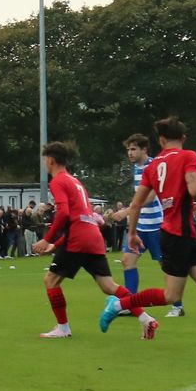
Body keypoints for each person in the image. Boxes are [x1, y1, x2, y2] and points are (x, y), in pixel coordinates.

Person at [104, 118, 196, 353]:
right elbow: (195, 189)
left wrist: (132, 233)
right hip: (176, 235)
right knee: (170, 295)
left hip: (185, 235)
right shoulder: (188, 156)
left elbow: (135, 205)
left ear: (161, 140)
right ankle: (119, 305)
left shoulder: (153, 166)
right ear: (183, 138)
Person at [33, 142, 159, 341]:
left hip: (78, 238)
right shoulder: (75, 182)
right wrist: (55, 245)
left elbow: (65, 213)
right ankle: (145, 318)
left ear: (50, 160)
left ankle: (63, 327)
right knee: (108, 286)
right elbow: (81, 217)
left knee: (51, 280)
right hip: (92, 236)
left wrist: (47, 238)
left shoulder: (58, 181)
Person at [114, 133, 185, 319]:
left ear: (144, 149)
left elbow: (151, 196)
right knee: (127, 261)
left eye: (133, 149)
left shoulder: (154, 166)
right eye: (128, 149)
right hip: (140, 227)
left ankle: (177, 306)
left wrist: (126, 211)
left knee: (166, 265)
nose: (129, 153)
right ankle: (130, 304)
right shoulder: (136, 169)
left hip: (156, 226)